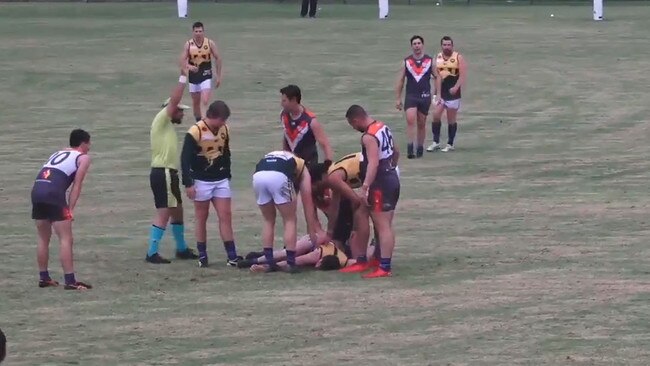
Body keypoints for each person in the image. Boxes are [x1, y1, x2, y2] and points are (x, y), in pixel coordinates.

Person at [181, 100, 242, 268]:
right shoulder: (195, 131)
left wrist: (227, 173)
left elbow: (226, 152)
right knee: (202, 217)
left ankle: (232, 256)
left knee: (225, 216)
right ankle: (202, 255)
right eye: (221, 120)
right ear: (212, 117)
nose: (223, 124)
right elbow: (185, 159)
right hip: (201, 180)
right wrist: (188, 183)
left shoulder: (224, 130)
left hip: (221, 179)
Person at [31, 129, 93, 290]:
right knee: (66, 238)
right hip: (53, 193)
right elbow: (77, 185)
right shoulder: (83, 157)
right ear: (83, 143)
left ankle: (44, 277)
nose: (90, 147)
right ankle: (70, 280)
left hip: (37, 190)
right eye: (88, 143)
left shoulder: (58, 153)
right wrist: (70, 209)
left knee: (43, 237)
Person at [146, 71, 198, 264]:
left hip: (168, 172)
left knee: (177, 210)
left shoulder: (165, 127)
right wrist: (183, 78)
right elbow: (175, 99)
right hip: (163, 172)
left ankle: (181, 248)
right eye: (180, 110)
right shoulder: (162, 119)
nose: (182, 114)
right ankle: (151, 252)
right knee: (165, 211)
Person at [344, 105, 400, 278]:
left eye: (353, 125)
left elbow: (373, 163)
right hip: (390, 177)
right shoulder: (382, 127)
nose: (354, 129)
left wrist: (366, 186)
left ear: (356, 120)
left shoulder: (369, 136)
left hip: (380, 182)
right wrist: (392, 167)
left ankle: (384, 266)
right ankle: (366, 260)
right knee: (363, 213)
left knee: (382, 225)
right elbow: (396, 150)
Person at [251, 150, 327, 273]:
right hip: (279, 175)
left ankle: (269, 261)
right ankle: (291, 263)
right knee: (290, 219)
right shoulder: (303, 169)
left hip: (258, 175)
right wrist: (312, 233)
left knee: (268, 220)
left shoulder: (282, 156)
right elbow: (308, 204)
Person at [396, 35, 434, 159]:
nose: (417, 46)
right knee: (410, 120)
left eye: (418, 43)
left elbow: (437, 77)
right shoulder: (407, 61)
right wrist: (398, 98)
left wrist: (437, 94)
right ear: (411, 46)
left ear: (422, 45)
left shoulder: (429, 61)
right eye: (414, 44)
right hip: (411, 95)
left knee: (421, 123)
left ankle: (420, 147)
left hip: (425, 96)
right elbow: (401, 80)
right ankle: (410, 147)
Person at [428, 35, 467, 153]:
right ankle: (436, 142)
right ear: (441, 45)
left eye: (449, 45)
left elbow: (463, 75)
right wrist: (436, 92)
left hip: (453, 93)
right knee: (435, 115)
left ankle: (450, 143)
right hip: (440, 93)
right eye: (444, 45)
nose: (446, 47)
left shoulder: (458, 57)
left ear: (452, 45)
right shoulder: (437, 57)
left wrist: (456, 87)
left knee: (451, 118)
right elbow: (436, 76)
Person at [280, 84, 333, 167]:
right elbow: (286, 135)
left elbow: (325, 144)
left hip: (308, 164)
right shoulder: (283, 115)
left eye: (284, 101)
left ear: (293, 100)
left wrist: (328, 163)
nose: (281, 104)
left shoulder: (310, 121)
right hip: (291, 162)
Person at [180, 21, 222, 122]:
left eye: (200, 31)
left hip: (206, 73)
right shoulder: (189, 44)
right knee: (195, 103)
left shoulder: (209, 43)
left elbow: (218, 58)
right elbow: (182, 60)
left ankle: (204, 120)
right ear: (193, 32)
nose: (198, 33)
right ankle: (199, 122)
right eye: (196, 31)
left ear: (203, 32)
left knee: (205, 99)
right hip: (194, 76)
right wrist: (189, 67)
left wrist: (218, 76)